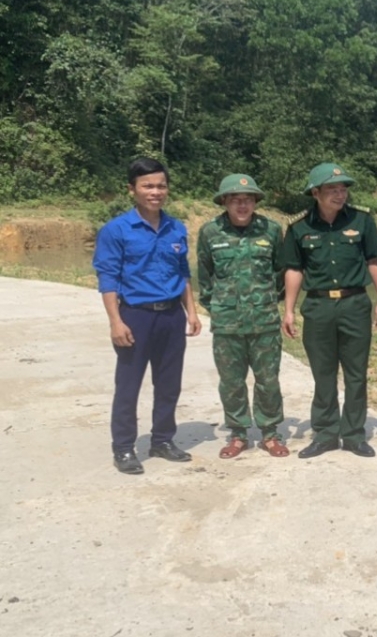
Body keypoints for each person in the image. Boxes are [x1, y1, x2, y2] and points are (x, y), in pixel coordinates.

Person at [93, 157, 202, 475]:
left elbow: (183, 272)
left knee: (169, 384)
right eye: (148, 186)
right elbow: (108, 278)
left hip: (170, 316)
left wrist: (191, 312)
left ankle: (163, 440)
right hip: (135, 316)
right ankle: (124, 448)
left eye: (161, 185)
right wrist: (116, 321)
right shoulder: (116, 230)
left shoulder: (176, 227)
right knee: (128, 385)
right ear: (132, 190)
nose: (156, 191)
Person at [282, 163, 377, 459]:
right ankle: (326, 434)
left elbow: (374, 259)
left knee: (356, 373)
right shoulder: (299, 227)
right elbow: (294, 269)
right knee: (323, 373)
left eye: (343, 189)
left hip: (355, 304)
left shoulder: (362, 220)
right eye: (332, 189)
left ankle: (354, 435)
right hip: (318, 307)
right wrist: (289, 310)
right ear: (315, 192)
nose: (340, 194)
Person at [197, 173, 289, 459]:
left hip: (264, 321)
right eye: (235, 200)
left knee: (268, 380)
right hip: (227, 323)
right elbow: (205, 276)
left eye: (248, 199)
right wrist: (220, 308)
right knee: (232, 382)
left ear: (255, 202)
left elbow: (281, 272)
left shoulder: (271, 230)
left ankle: (270, 433)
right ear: (224, 201)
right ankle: (238, 434)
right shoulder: (210, 232)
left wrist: (266, 302)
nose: (242, 205)